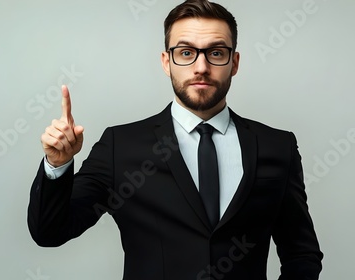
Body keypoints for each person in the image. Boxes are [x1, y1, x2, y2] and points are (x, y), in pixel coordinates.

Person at [27, 0, 323, 279]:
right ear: (166, 62)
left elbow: (301, 253)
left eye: (216, 53)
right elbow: (50, 233)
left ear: (234, 63)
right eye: (186, 53)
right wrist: (57, 165)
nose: (201, 68)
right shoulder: (121, 146)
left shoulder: (277, 147)